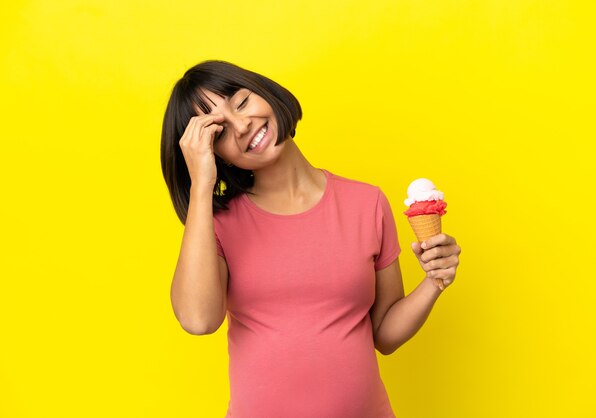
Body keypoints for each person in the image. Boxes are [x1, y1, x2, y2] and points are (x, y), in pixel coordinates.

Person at [160, 60, 461, 418]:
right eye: (219, 132)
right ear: (213, 153)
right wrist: (201, 185)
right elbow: (198, 320)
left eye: (242, 103)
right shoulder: (217, 225)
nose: (241, 126)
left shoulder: (367, 203)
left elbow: (384, 334)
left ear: (266, 93)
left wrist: (434, 282)